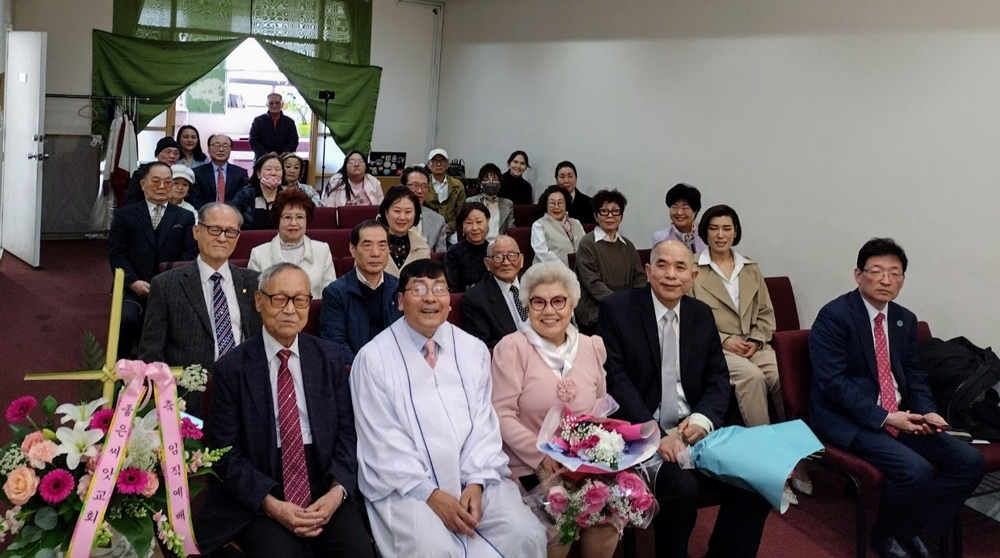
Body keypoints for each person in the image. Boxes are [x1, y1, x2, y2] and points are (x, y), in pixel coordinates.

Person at [350, 259, 547, 558]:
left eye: (439, 289)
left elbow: (483, 424)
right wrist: (430, 494)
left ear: (449, 300)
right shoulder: (373, 359)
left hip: (475, 479)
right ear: (400, 301)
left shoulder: (473, 349)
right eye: (419, 289)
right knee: (433, 551)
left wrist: (476, 483)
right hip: (408, 489)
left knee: (524, 534)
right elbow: (381, 439)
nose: (430, 298)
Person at [809, 238, 985, 558]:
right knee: (915, 470)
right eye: (876, 271)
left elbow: (914, 375)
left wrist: (927, 411)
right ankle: (886, 535)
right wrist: (886, 417)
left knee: (969, 461)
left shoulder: (904, 319)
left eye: (895, 273)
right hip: (848, 419)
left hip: (901, 414)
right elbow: (832, 383)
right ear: (858, 275)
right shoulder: (835, 316)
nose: (886, 280)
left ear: (903, 279)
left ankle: (908, 527)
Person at [597, 240, 771, 558]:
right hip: (641, 431)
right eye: (662, 265)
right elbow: (616, 380)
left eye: (680, 267)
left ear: (693, 276)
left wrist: (703, 420)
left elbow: (718, 379)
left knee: (758, 478)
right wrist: (654, 435)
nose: (671, 275)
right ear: (648, 271)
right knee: (682, 487)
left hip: (693, 428)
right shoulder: (617, 309)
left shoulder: (700, 314)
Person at [195, 263, 374, 558]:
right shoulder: (232, 368)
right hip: (262, 485)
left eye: (300, 300)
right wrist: (271, 504)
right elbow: (225, 452)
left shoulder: (328, 357)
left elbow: (347, 432)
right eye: (279, 299)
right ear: (259, 301)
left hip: (323, 479)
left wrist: (337, 491)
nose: (290, 309)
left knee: (357, 553)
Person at [491, 262, 618, 558]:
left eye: (558, 301)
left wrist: (591, 449)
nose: (549, 310)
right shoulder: (513, 348)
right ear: (527, 306)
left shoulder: (591, 346)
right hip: (529, 464)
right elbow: (501, 412)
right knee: (558, 522)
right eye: (538, 302)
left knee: (607, 517)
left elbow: (601, 403)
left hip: (583, 462)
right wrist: (541, 455)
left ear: (572, 305)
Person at [690, 205, 805, 503]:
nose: (720, 234)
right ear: (704, 232)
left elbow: (766, 313)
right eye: (714, 228)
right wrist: (725, 340)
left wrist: (755, 339)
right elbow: (691, 321)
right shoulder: (692, 269)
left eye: (727, 228)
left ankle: (796, 457)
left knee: (782, 376)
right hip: (716, 349)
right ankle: (769, 467)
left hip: (755, 345)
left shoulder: (750, 267)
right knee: (752, 378)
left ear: (735, 232)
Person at [138, 203, 263, 417]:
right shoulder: (166, 285)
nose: (222, 238)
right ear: (197, 231)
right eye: (214, 229)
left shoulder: (254, 282)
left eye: (230, 232)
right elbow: (152, 352)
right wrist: (166, 405)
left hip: (246, 391)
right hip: (189, 398)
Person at [109, 162, 197, 356]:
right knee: (127, 319)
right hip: (133, 286)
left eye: (168, 182)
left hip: (172, 286)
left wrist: (166, 282)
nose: (162, 186)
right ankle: (121, 366)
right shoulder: (125, 215)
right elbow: (117, 254)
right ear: (143, 184)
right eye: (155, 181)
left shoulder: (185, 217)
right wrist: (133, 282)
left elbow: (190, 253)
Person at [319, 220, 402, 363]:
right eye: (367, 245)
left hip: (397, 367)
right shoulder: (335, 292)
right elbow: (335, 342)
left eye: (382, 245)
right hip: (356, 369)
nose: (375, 253)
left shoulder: (400, 288)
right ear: (352, 249)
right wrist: (362, 368)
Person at [574, 189, 646, 334]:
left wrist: (633, 302)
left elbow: (639, 278)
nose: (610, 216)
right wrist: (619, 304)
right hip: (595, 310)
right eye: (604, 211)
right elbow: (593, 283)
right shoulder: (587, 243)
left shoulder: (628, 245)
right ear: (596, 216)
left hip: (626, 308)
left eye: (615, 211)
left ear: (621, 216)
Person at [248, 189, 336, 298]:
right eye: (287, 217)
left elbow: (331, 296)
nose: (293, 223)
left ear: (307, 220)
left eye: (299, 217)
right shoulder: (258, 254)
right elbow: (254, 298)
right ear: (278, 221)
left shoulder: (322, 250)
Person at [461, 235, 527, 349]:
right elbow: (485, 346)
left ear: (521, 260)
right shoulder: (475, 299)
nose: (506, 262)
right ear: (487, 263)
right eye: (498, 257)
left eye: (512, 255)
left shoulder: (536, 285)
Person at [379, 185, 430, 277]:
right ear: (386, 212)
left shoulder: (422, 247)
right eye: (397, 211)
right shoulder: (370, 245)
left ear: (415, 214)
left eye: (408, 212)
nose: (402, 217)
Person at [191, 134, 250, 209]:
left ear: (230, 149)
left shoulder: (241, 173)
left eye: (225, 146)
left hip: (232, 214)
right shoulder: (197, 173)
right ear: (208, 149)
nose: (221, 149)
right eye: (216, 145)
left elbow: (244, 201)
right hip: (205, 214)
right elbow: (195, 201)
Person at [444, 202, 491, 293]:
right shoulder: (453, 253)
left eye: (479, 222)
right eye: (469, 223)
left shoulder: (494, 251)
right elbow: (453, 289)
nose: (475, 228)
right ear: (462, 226)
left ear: (487, 221)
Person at [531, 185, 584, 266]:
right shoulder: (539, 225)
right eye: (552, 203)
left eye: (560, 203)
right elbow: (543, 253)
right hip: (549, 269)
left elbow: (585, 247)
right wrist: (564, 269)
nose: (556, 207)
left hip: (578, 269)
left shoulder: (576, 223)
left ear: (566, 204)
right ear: (546, 205)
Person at [425, 148, 467, 242]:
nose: (438, 164)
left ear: (448, 164)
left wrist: (451, 226)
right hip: (428, 228)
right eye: (434, 161)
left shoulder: (458, 185)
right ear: (428, 165)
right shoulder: (423, 184)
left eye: (442, 161)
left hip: (452, 230)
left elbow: (462, 212)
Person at [401, 165, 447, 252]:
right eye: (415, 185)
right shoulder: (388, 216)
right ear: (403, 187)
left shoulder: (438, 220)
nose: (420, 191)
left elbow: (440, 255)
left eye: (424, 186)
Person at [652, 183, 707, 254]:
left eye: (685, 208)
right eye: (674, 207)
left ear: (695, 211)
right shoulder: (660, 237)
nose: (679, 212)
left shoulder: (706, 233)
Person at [125, 136, 181, 205]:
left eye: (176, 153)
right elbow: (132, 201)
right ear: (157, 155)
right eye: (168, 152)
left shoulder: (181, 175)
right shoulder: (141, 174)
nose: (172, 156)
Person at [466, 163, 514, 240]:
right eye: (486, 180)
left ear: (500, 184)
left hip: (500, 243)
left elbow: (511, 229)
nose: (491, 183)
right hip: (478, 242)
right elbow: (468, 227)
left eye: (495, 180)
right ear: (481, 184)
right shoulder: (471, 202)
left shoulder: (508, 204)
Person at [241, 153, 287, 230]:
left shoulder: (288, 196)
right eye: (268, 169)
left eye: (277, 169)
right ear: (258, 173)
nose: (273, 173)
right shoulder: (245, 194)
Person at [249, 92, 299, 161]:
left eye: (277, 103)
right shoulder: (258, 121)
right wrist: (267, 155)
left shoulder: (289, 122)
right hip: (262, 160)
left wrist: (280, 155)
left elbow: (293, 142)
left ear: (282, 104)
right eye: (271, 103)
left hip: (283, 160)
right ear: (267, 104)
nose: (274, 105)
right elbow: (253, 141)